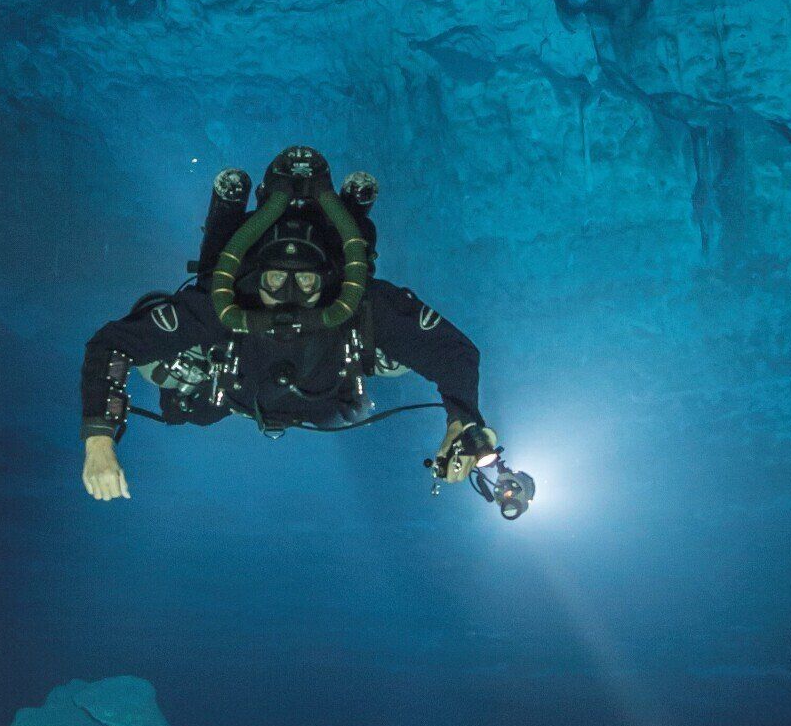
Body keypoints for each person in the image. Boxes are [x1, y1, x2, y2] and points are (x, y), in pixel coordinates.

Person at [79, 149, 495, 501]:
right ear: (253, 277)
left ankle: (348, 222)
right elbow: (113, 344)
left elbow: (452, 353)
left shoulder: (363, 304)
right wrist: (100, 440)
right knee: (164, 377)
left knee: (392, 353)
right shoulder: (222, 304)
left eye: (307, 280)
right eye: (276, 280)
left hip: (331, 397)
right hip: (235, 393)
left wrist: (462, 420)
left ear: (330, 280)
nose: (289, 294)